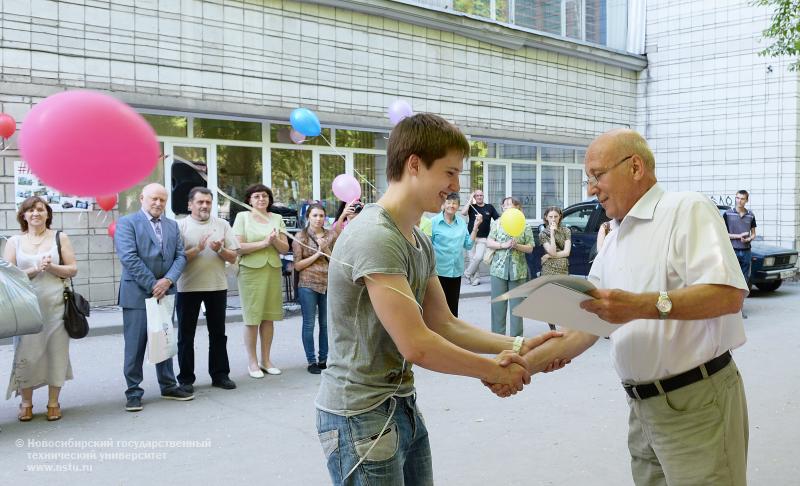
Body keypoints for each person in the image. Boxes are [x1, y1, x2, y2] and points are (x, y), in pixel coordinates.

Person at [315, 113, 562, 486]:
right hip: (360, 417)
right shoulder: (374, 236)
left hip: (401, 406)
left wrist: (520, 345)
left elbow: (444, 323)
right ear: (415, 164)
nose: (455, 185)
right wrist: (496, 371)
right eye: (449, 172)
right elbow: (417, 344)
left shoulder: (419, 240)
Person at [504, 129, 750, 486]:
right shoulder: (614, 238)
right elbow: (586, 322)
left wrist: (640, 306)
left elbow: (728, 295)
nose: (591, 189)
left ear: (635, 166)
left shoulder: (686, 209)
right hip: (642, 409)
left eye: (597, 175)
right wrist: (522, 363)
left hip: (698, 403)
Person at [115, 183, 193, 412]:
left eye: (162, 199)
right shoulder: (127, 223)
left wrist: (167, 281)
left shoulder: (172, 225)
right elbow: (128, 258)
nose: (158, 203)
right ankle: (133, 391)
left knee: (163, 341)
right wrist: (153, 284)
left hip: (165, 292)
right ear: (142, 198)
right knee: (135, 345)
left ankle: (168, 385)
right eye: (154, 199)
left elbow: (180, 257)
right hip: (137, 293)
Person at [4, 197, 77, 422]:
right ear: (23, 216)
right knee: (27, 354)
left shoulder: (59, 237)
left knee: (56, 353)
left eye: (40, 210)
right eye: (30, 210)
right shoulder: (14, 242)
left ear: (47, 214)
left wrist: (52, 267)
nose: (35, 214)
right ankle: (26, 403)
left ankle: (53, 403)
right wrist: (36, 269)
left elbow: (73, 269)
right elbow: (8, 276)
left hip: (56, 306)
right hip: (26, 308)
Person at [176, 187, 240, 392]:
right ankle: (186, 379)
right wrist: (198, 249)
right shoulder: (180, 226)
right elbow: (176, 259)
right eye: (200, 202)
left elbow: (233, 257)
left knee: (218, 334)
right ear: (190, 204)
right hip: (188, 288)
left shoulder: (222, 225)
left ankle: (220, 375)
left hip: (217, 286)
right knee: (186, 336)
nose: (204, 206)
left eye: (208, 202)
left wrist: (219, 249)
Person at [233, 184, 290, 378]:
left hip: (272, 269)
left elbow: (284, 249)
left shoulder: (277, 218)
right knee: (252, 318)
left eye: (265, 196)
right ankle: (253, 362)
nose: (261, 199)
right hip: (250, 271)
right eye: (256, 196)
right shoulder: (242, 217)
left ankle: (266, 360)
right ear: (249, 200)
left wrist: (274, 241)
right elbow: (238, 247)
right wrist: (264, 243)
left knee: (268, 317)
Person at [292, 202, 346, 374]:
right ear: (308, 217)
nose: (318, 219)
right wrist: (317, 252)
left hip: (328, 283)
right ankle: (311, 361)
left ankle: (324, 359)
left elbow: (337, 260)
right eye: (314, 215)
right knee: (309, 323)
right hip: (308, 284)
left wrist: (326, 249)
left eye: (321, 215)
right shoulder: (300, 237)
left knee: (325, 323)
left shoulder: (331, 235)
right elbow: (298, 265)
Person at [487, 197, 534, 337]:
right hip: (498, 270)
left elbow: (530, 248)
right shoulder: (497, 223)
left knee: (517, 308)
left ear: (518, 208)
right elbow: (489, 242)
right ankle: (497, 338)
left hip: (518, 271)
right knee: (498, 307)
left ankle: (516, 340)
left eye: (510, 204)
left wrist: (517, 246)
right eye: (504, 205)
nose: (506, 207)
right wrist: (503, 245)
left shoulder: (525, 225)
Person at [430, 192, 481, 316]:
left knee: (453, 310)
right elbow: (427, 248)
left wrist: (475, 227)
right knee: (438, 309)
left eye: (454, 203)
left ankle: (451, 335)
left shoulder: (462, 223)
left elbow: (468, 245)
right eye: (449, 202)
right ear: (444, 204)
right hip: (438, 273)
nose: (451, 205)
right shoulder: (433, 222)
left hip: (455, 272)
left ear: (458, 206)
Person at [539, 206, 571, 331]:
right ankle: (553, 328)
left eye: (556, 217)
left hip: (562, 268)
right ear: (546, 218)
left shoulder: (566, 230)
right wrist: (552, 233)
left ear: (560, 217)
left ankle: (563, 325)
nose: (553, 219)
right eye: (550, 217)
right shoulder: (543, 234)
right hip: (549, 270)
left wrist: (548, 256)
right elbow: (552, 251)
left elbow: (567, 252)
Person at [461, 189, 500, 285]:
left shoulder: (489, 207)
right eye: (477, 195)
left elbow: (497, 219)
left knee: (478, 258)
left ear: (483, 196)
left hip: (483, 238)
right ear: (475, 197)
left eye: (481, 195)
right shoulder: (471, 207)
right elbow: (463, 212)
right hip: (471, 237)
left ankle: (467, 273)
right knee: (472, 259)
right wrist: (470, 199)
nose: (479, 197)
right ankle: (475, 279)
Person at [724, 190, 756, 289]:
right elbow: (723, 234)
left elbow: (753, 234)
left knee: (745, 277)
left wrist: (748, 239)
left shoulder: (751, 215)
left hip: (746, 251)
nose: (739, 201)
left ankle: (740, 298)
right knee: (732, 276)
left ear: (746, 200)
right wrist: (739, 236)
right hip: (732, 250)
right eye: (737, 198)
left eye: (742, 199)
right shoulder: (727, 214)